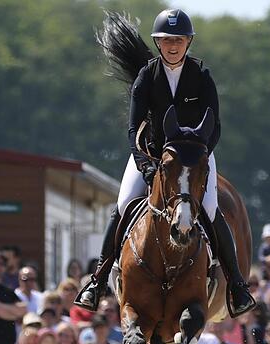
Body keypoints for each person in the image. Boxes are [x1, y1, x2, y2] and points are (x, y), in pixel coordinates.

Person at [75, 8, 254, 318]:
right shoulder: (147, 76)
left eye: (180, 40)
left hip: (195, 158)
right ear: (159, 43)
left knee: (210, 209)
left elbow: (216, 125)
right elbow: (134, 129)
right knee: (123, 205)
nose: (174, 45)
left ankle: (236, 285)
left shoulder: (201, 76)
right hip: (152, 156)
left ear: (188, 42)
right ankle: (98, 280)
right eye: (168, 40)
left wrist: (201, 158)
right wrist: (144, 164)